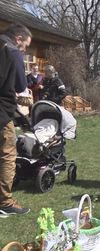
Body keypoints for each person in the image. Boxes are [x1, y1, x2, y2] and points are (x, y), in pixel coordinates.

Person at [0, 24, 32, 217]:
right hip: (2, 113)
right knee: (7, 156)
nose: (25, 50)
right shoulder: (12, 51)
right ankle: (5, 202)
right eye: (26, 46)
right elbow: (21, 84)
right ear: (18, 38)